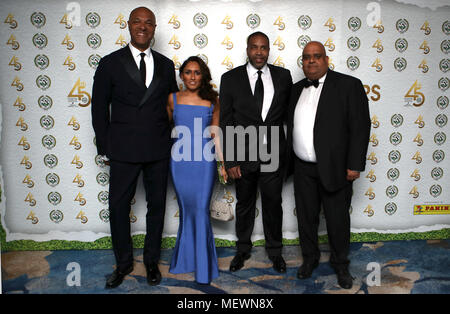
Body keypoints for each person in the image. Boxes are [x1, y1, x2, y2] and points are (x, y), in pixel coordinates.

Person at [91, 7, 178, 289]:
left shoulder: (166, 65)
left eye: (148, 23)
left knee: (157, 207)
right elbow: (99, 108)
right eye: (137, 22)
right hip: (123, 149)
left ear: (155, 28)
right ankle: (124, 262)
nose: (143, 27)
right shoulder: (110, 63)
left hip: (157, 148)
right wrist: (106, 147)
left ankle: (151, 261)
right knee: (117, 207)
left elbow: (172, 106)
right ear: (128, 25)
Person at [286, 41, 371, 289]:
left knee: (337, 221)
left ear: (326, 59)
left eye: (316, 56)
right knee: (306, 219)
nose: (311, 61)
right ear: (302, 62)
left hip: (336, 167)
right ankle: (310, 260)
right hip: (303, 168)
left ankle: (341, 265)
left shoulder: (348, 85)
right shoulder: (295, 89)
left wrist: (354, 164)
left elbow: (360, 127)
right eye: (306, 57)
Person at [219, 32, 292, 273]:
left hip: (273, 154)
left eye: (263, 48)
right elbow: (226, 122)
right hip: (242, 154)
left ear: (268, 50)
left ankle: (275, 252)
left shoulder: (283, 76)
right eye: (254, 47)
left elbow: (290, 118)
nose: (259, 52)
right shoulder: (230, 78)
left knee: (273, 204)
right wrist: (230, 160)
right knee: (244, 205)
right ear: (247, 49)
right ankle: (242, 250)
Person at [166, 56, 226, 285]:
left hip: (204, 163)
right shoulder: (172, 99)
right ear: (181, 75)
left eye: (197, 72)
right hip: (180, 164)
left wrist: (221, 164)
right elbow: (163, 130)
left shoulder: (213, 100)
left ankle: (203, 267)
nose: (192, 76)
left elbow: (215, 133)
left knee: (200, 211)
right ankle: (186, 261)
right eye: (188, 72)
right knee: (186, 211)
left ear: (203, 76)